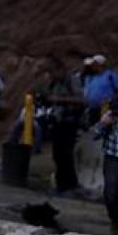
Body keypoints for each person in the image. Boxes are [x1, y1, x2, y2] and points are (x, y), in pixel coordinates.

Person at [43, 59, 85, 193]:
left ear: (60, 70)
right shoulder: (55, 82)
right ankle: (62, 184)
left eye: (52, 73)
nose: (51, 76)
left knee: (65, 154)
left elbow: (82, 100)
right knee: (58, 154)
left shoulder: (72, 81)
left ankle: (70, 184)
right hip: (58, 121)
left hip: (70, 121)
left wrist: (59, 100)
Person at [92, 105, 118, 235]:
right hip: (112, 159)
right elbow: (95, 134)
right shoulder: (112, 116)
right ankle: (115, 219)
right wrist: (104, 123)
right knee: (110, 194)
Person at [84, 55, 118, 122]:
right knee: (93, 128)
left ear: (100, 64)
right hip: (92, 108)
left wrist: (111, 99)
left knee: (105, 125)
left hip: (106, 107)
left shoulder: (110, 75)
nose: (92, 66)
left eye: (94, 64)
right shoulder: (91, 77)